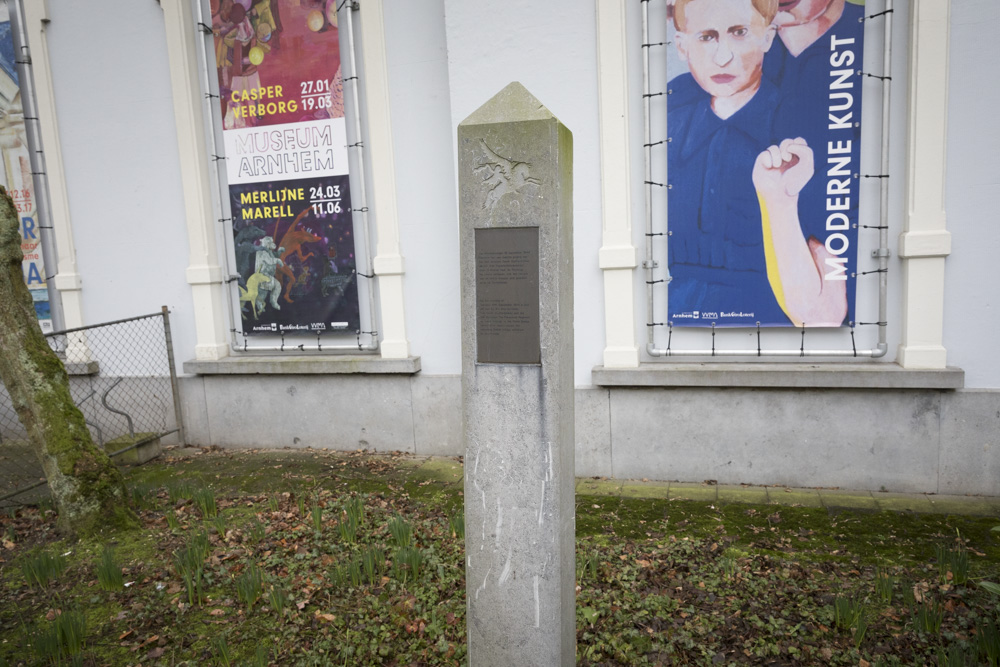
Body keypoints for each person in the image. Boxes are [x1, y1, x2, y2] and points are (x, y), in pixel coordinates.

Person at [667, 0, 846, 327]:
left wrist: (779, 200)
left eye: (739, 33)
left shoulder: (802, 135)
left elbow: (821, 317)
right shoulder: (668, 122)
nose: (723, 57)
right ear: (681, 45)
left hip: (771, 335)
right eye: (706, 37)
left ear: (768, 37)